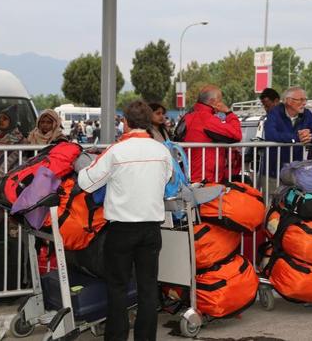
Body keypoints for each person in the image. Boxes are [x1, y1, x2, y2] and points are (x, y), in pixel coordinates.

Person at [77, 100, 173, 341]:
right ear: (148, 122)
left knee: (117, 288)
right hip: (152, 228)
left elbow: (86, 182)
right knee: (148, 289)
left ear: (126, 123)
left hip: (121, 229)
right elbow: (168, 178)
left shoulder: (116, 151)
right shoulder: (162, 151)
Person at [263, 86, 312, 180]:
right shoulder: (274, 112)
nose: (304, 103)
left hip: (296, 171)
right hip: (273, 170)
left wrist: (310, 137)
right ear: (288, 101)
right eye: (300, 100)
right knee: (271, 194)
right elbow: (270, 134)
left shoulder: (307, 114)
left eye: (305, 100)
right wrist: (297, 138)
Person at [182, 85, 242, 183]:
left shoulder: (188, 116)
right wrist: (228, 113)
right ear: (213, 101)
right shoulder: (206, 118)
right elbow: (236, 135)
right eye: (220, 100)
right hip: (205, 179)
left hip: (190, 175)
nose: (222, 103)